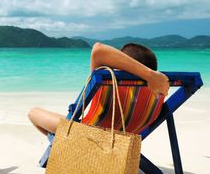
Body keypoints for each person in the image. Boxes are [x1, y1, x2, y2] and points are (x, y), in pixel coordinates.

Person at [28, 42, 170, 135]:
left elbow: (98, 50)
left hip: (86, 135)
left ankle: (69, 149)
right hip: (126, 138)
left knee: (33, 112)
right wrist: (151, 76)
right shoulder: (160, 89)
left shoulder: (109, 82)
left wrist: (149, 75)